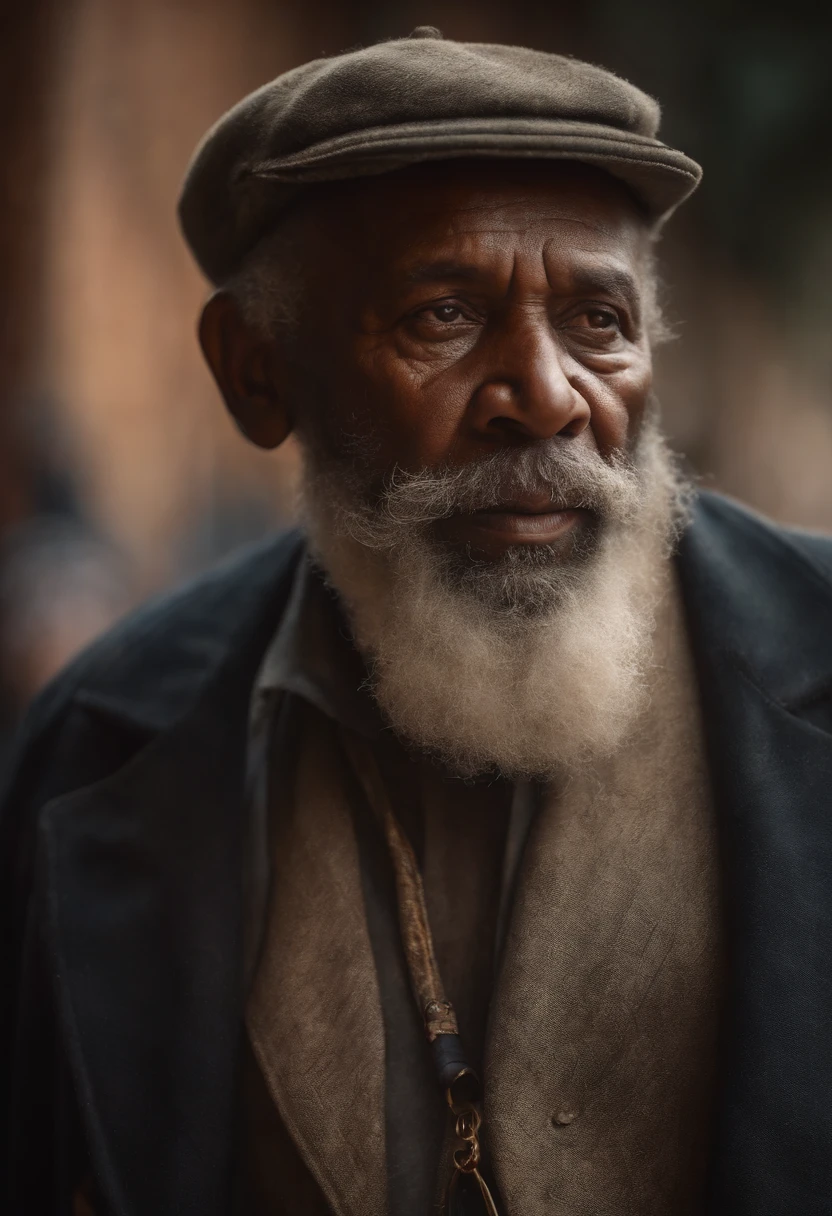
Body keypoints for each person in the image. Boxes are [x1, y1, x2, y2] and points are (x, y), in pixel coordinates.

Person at [3, 29, 831, 1216]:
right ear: (256, 371)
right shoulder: (96, 748)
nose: (546, 395)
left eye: (598, 321)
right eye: (443, 316)